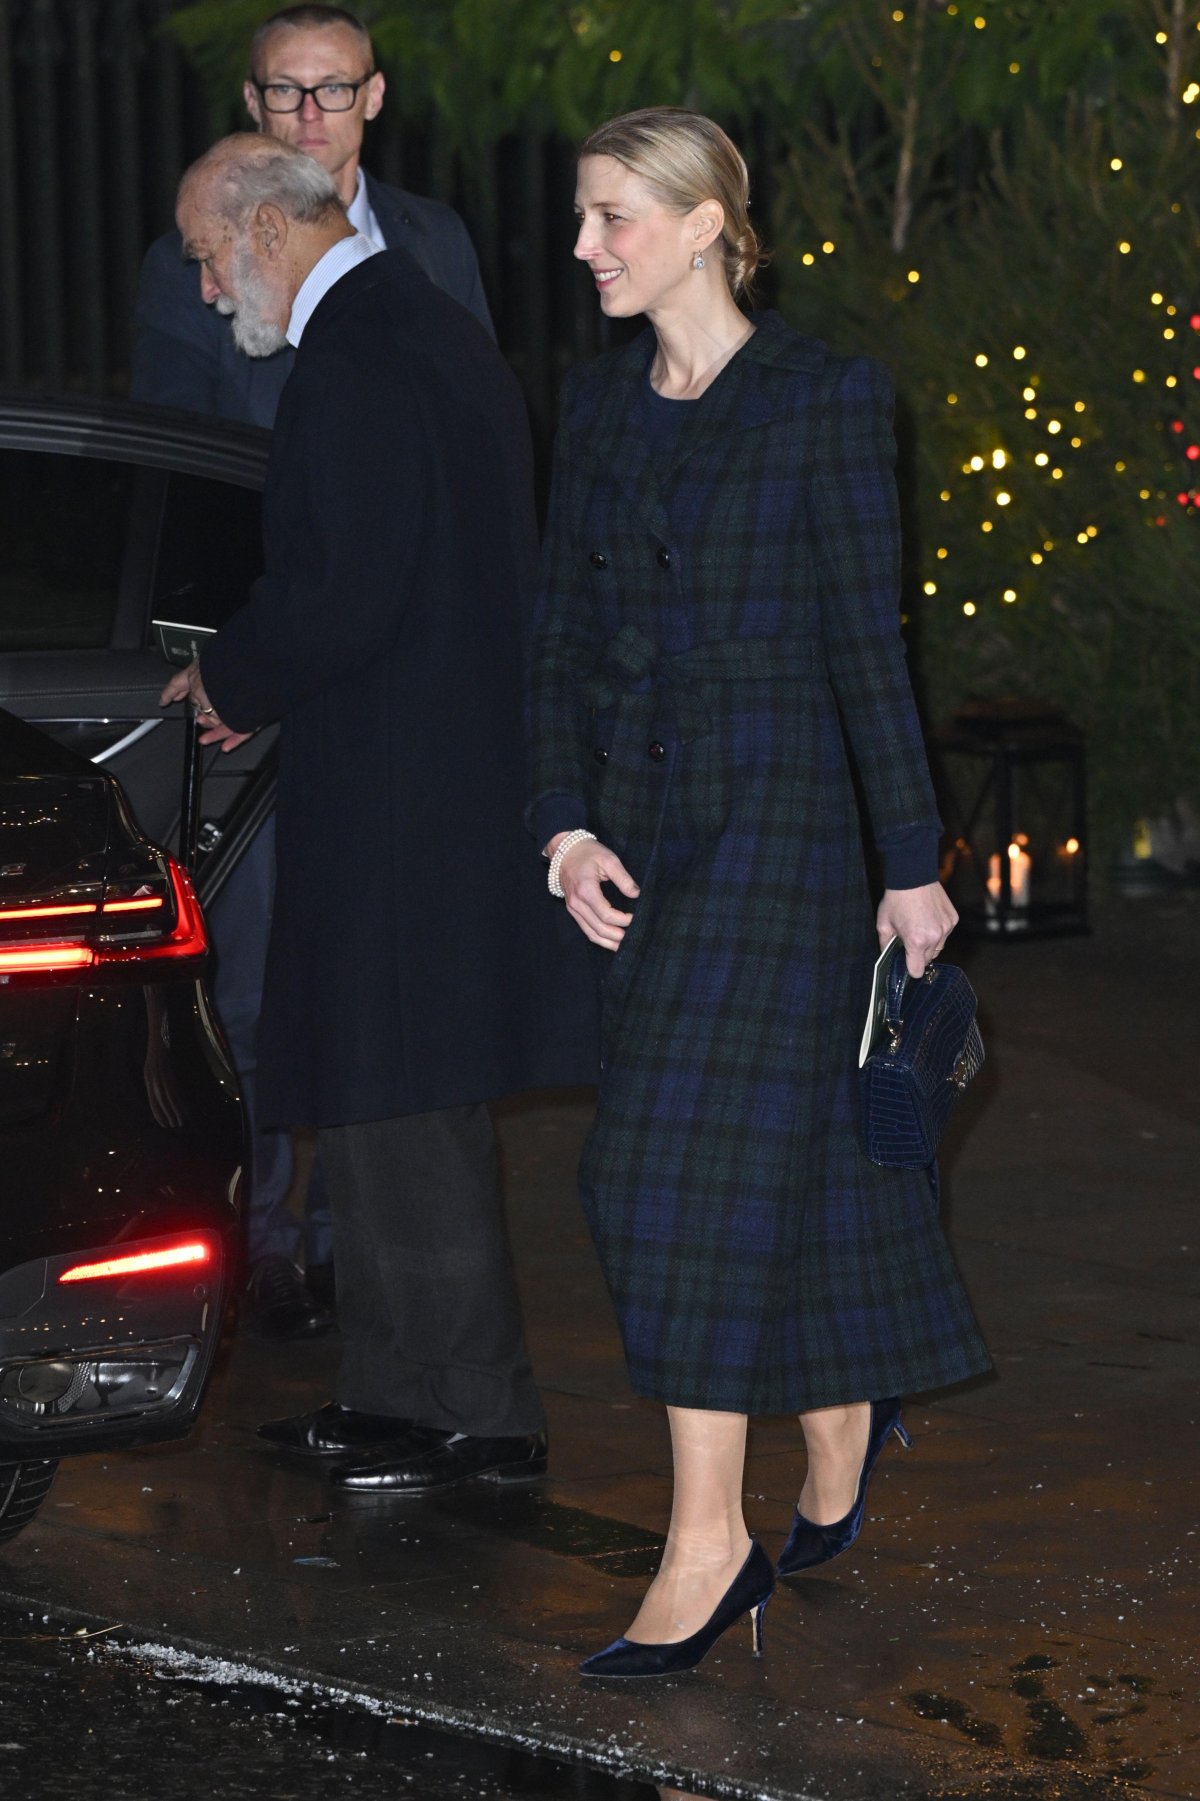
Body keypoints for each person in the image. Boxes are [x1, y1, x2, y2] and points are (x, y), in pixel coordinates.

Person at [527, 107, 991, 1678]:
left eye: (611, 219)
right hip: (649, 848)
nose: (585, 247)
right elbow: (560, 648)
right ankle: (842, 1402)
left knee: (662, 1174)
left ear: (708, 222)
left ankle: (707, 1541)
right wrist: (564, 823)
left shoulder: (824, 400)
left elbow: (873, 644)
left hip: (788, 840)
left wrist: (908, 863)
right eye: (582, 219)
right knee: (766, 1165)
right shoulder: (594, 407)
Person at [163, 132, 594, 1492]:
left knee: (406, 1097)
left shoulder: (359, 353)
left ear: (266, 231)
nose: (201, 287)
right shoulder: (422, 326)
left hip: (408, 792)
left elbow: (342, 586)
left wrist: (229, 675)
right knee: (381, 1087)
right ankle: (403, 1394)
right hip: (425, 776)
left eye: (203, 256)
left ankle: (473, 1408)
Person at [133, 4, 494, 1339]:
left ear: (373, 98)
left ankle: (369, 1260)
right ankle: (271, 1233)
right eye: (281, 94)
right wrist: (237, 662)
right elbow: (175, 473)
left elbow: (460, 453)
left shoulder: (433, 250)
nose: (305, 117)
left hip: (379, 669)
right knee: (262, 959)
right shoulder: (195, 254)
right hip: (267, 663)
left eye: (328, 92)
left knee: (382, 976)